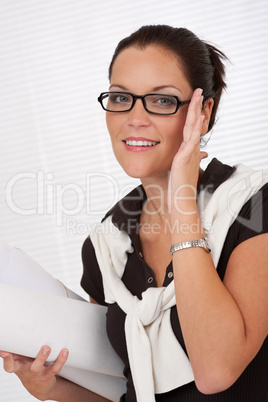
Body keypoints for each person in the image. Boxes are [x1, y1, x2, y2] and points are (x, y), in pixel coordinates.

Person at [1, 24, 268, 402]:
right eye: (121, 97)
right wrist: (52, 388)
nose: (134, 118)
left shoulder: (253, 204)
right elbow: (124, 391)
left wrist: (181, 204)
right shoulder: (105, 245)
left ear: (203, 111)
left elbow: (216, 372)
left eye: (161, 101)